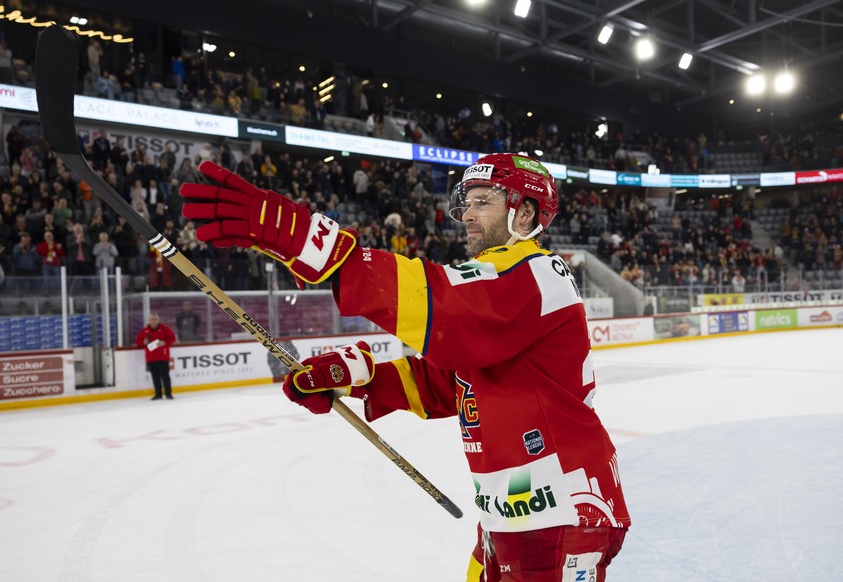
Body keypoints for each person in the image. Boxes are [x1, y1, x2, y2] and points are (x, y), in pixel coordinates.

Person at [180, 153, 630, 581]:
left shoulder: (537, 272)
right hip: (516, 510)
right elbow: (445, 383)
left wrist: (321, 248)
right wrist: (363, 377)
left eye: (484, 201)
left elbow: (449, 311)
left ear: (526, 213)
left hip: (563, 507)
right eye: (466, 202)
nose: (468, 214)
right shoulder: (499, 279)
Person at [135, 313, 176, 400]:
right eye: (152, 319)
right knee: (155, 376)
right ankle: (158, 394)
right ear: (149, 320)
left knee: (165, 376)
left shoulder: (165, 329)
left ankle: (168, 393)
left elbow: (172, 338)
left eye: (155, 319)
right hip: (151, 358)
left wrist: (164, 342)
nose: (153, 321)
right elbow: (138, 342)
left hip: (163, 357)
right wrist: (143, 342)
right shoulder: (144, 330)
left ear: (158, 319)